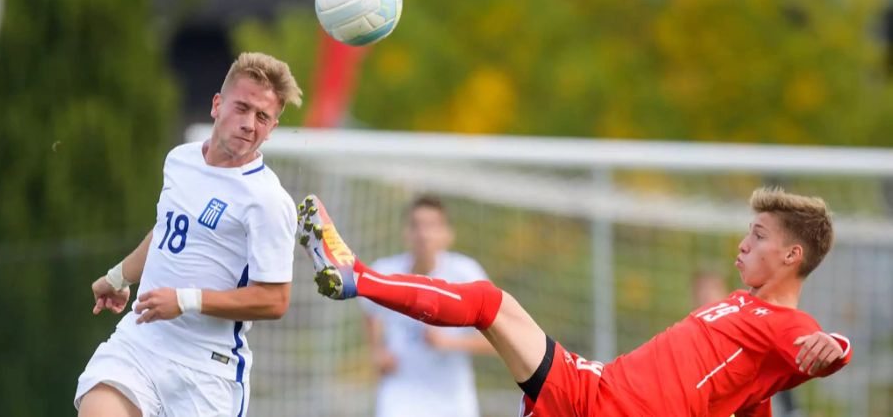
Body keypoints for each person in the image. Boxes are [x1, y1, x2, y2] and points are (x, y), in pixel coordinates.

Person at [296, 187, 853, 416]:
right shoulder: (742, 308)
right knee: (490, 304)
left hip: (615, 410)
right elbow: (746, 398)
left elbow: (823, 349)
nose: (743, 242)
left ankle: (357, 277)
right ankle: (357, 277)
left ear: (791, 256)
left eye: (758, 235)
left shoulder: (786, 322)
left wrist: (837, 345)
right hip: (595, 389)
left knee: (490, 303)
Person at [75, 52, 302, 417]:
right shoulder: (181, 159)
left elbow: (274, 300)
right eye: (242, 108)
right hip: (140, 343)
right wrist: (119, 276)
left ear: (272, 128)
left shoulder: (268, 201)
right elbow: (168, 230)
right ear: (217, 104)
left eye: (262, 117)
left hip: (207, 372)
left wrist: (186, 300)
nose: (249, 124)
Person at [359, 195, 494, 417]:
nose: (423, 234)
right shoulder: (385, 271)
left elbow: (495, 341)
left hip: (452, 396)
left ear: (447, 234)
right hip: (401, 392)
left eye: (431, 226)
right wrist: (377, 352)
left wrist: (448, 343)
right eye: (416, 225)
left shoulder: (466, 274)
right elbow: (370, 313)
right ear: (406, 233)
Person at [692, 271, 806, 417]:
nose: (706, 297)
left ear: (724, 291)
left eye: (711, 290)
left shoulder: (744, 327)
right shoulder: (695, 334)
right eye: (701, 292)